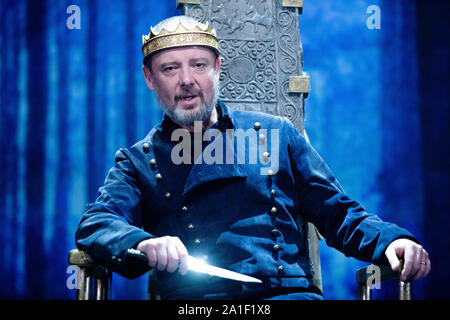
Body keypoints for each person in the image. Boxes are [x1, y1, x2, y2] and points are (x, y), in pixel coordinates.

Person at [75, 15, 430, 300]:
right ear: (149, 78)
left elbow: (337, 212)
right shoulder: (140, 160)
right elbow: (95, 224)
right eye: (169, 69)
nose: (186, 80)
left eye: (198, 65)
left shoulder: (276, 134)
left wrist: (390, 240)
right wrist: (141, 242)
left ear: (217, 68)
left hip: (286, 296)